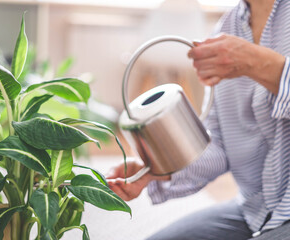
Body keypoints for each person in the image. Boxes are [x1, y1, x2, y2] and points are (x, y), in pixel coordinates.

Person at [107, 0, 290, 239]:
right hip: (257, 209)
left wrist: (259, 64)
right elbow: (217, 145)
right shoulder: (227, 28)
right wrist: (159, 167)